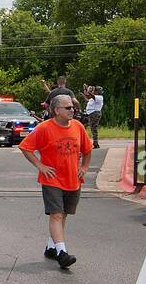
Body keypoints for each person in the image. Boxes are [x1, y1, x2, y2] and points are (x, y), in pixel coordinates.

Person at [18, 94, 92, 269]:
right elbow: (25, 147)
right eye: (68, 108)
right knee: (56, 214)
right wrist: (40, 166)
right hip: (52, 179)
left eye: (72, 107)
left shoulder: (78, 126)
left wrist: (84, 168)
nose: (72, 110)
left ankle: (51, 247)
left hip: (73, 179)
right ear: (56, 110)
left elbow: (87, 149)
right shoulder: (44, 128)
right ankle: (61, 253)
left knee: (63, 213)